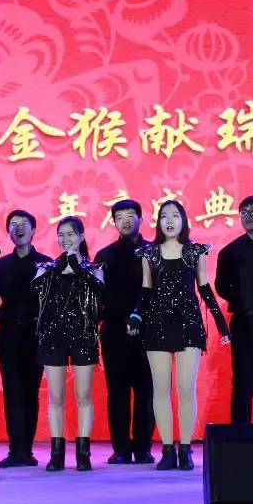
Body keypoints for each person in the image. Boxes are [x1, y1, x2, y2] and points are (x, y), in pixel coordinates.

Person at [129, 201, 229, 471]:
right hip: (157, 324)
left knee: (186, 387)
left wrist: (221, 324)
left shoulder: (195, 251)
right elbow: (146, 289)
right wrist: (136, 314)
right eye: (164, 216)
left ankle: (185, 449)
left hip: (188, 324)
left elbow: (205, 289)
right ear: (158, 222)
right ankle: (167, 450)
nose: (170, 221)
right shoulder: (149, 253)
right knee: (161, 388)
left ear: (184, 220)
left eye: (175, 216)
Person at [33, 216, 105, 471]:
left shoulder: (95, 268)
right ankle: (57, 454)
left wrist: (78, 267)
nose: (65, 239)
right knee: (56, 397)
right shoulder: (46, 267)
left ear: (82, 236)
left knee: (83, 395)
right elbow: (35, 288)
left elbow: (101, 292)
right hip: (53, 336)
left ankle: (83, 454)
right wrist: (59, 267)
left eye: (71, 234)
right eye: (61, 234)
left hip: (84, 335)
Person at [94, 199, 155, 464]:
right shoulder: (104, 256)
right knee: (117, 391)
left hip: (148, 331)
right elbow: (97, 296)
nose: (125, 220)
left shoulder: (154, 251)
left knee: (146, 391)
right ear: (114, 223)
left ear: (141, 219)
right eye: (119, 217)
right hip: (115, 331)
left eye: (131, 215)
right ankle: (120, 448)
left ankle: (143, 448)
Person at [0, 209, 52, 468]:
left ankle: (26, 450)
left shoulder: (46, 264)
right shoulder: (0, 265)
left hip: (36, 334)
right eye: (13, 224)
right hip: (8, 335)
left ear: (34, 229)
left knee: (30, 392)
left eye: (23, 224)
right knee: (13, 391)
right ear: (8, 232)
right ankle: (15, 450)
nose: (18, 228)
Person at [215, 195, 253, 424]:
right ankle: (239, 438)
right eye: (244, 212)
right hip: (244, 323)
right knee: (242, 384)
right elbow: (222, 287)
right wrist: (245, 298)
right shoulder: (230, 252)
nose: (248, 215)